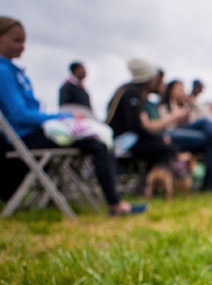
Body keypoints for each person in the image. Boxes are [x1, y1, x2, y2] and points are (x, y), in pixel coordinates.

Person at [0, 16, 144, 215]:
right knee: (98, 144)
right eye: (16, 40)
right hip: (25, 137)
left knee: (97, 140)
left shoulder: (14, 71)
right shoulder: (3, 71)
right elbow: (19, 114)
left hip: (33, 133)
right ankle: (114, 203)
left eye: (24, 40)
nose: (23, 46)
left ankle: (113, 200)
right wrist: (62, 117)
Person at [160, 79, 212, 195]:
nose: (182, 92)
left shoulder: (188, 106)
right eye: (179, 89)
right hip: (172, 136)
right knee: (206, 127)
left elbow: (209, 116)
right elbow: (164, 128)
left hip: (193, 138)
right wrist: (175, 117)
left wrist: (192, 101)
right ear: (170, 91)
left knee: (211, 144)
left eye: (183, 89)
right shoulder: (164, 106)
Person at [106, 58, 177, 177]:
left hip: (127, 138)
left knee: (164, 146)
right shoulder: (131, 93)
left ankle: (146, 183)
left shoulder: (128, 91)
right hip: (122, 140)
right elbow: (135, 126)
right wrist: (157, 138)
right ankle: (150, 184)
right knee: (166, 148)